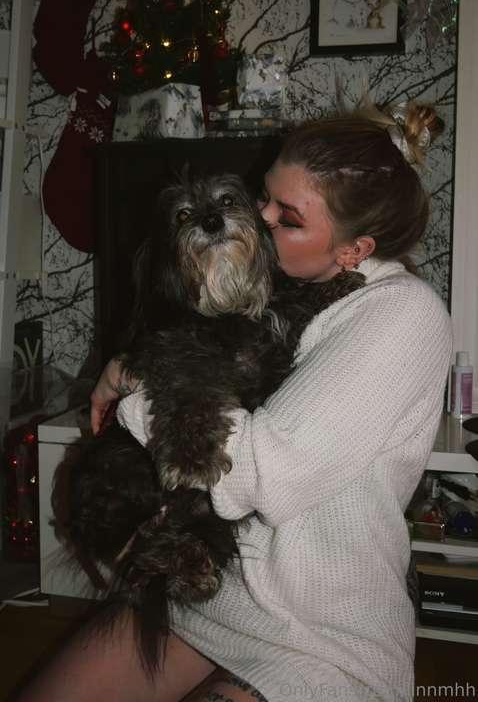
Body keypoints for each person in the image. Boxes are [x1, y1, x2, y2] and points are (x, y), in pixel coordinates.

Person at [17, 103, 452, 702]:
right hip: (217, 596)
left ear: (354, 249)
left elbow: (257, 474)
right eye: (264, 196)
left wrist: (137, 386)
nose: (260, 216)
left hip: (317, 632)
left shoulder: (402, 316)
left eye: (287, 216)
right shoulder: (292, 281)